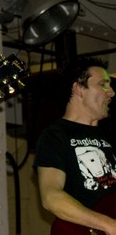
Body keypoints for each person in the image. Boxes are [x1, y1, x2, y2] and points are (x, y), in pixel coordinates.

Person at [34, 56, 116, 234]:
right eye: (103, 84)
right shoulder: (55, 136)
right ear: (78, 88)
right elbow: (51, 197)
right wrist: (108, 225)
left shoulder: (109, 135)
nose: (111, 92)